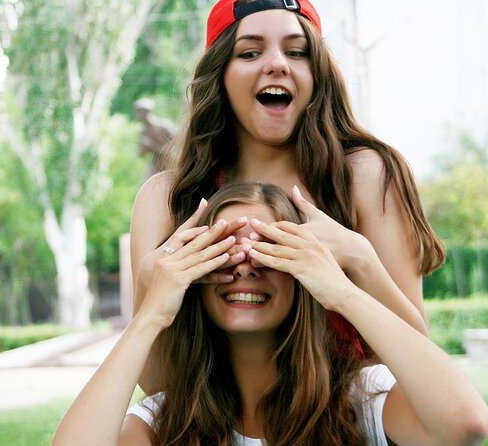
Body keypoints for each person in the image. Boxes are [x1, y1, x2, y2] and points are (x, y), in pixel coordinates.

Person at [130, 0, 445, 393]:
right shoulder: (166, 199)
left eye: (297, 52)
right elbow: (158, 385)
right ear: (220, 75)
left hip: (347, 418)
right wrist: (151, 283)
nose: (278, 64)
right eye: (250, 53)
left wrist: (358, 257)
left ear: (317, 73)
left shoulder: (364, 176)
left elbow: (420, 361)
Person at [53, 182, 488, 446]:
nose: (246, 266)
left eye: (269, 250)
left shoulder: (361, 400)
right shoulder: (165, 422)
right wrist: (150, 314)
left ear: (304, 274)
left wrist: (342, 288)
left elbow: (466, 424)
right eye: (224, 252)